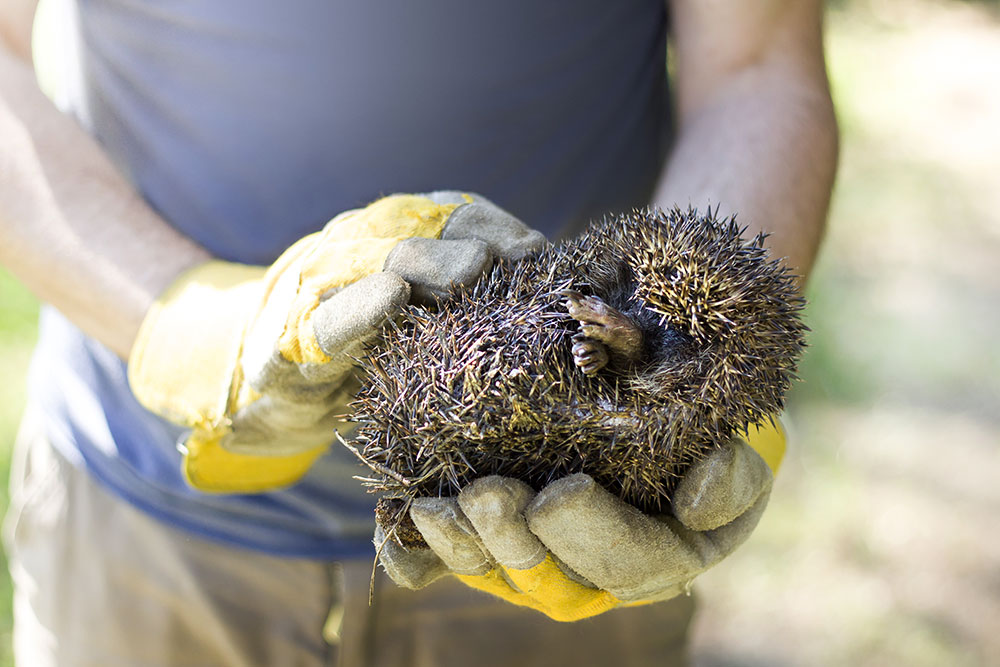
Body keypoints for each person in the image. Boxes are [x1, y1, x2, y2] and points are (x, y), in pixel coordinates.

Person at [0, 0, 838, 665]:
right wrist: (182, 321)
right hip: (137, 517)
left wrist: (709, 365)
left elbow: (757, 65)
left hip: (576, 524)